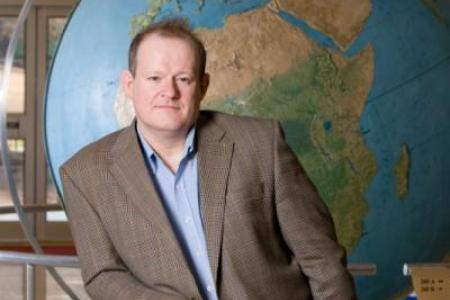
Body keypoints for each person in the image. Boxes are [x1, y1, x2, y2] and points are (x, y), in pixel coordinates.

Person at [60, 18, 356, 300]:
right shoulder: (85, 174)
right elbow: (103, 274)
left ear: (203, 86)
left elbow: (322, 258)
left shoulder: (260, 144)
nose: (169, 91)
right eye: (154, 78)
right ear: (129, 84)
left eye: (183, 79)